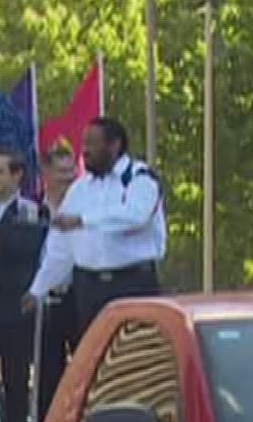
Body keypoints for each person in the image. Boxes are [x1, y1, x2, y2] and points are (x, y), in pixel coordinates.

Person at [23, 116, 166, 336]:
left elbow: (137, 216)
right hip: (90, 289)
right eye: (84, 143)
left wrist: (83, 220)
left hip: (132, 284)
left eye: (92, 143)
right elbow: (61, 248)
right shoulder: (80, 189)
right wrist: (38, 290)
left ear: (114, 145)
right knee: (95, 359)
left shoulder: (139, 179)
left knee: (133, 358)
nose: (85, 150)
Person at [0, 146, 47, 422]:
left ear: (17, 176)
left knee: (15, 382)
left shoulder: (29, 211)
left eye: (0, 172)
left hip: (14, 311)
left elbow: (24, 247)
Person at [31, 144, 82, 422]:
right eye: (61, 171)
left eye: (71, 170)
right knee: (47, 376)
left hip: (76, 299)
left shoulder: (84, 210)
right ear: (46, 173)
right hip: (45, 304)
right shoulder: (31, 211)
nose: (68, 177)